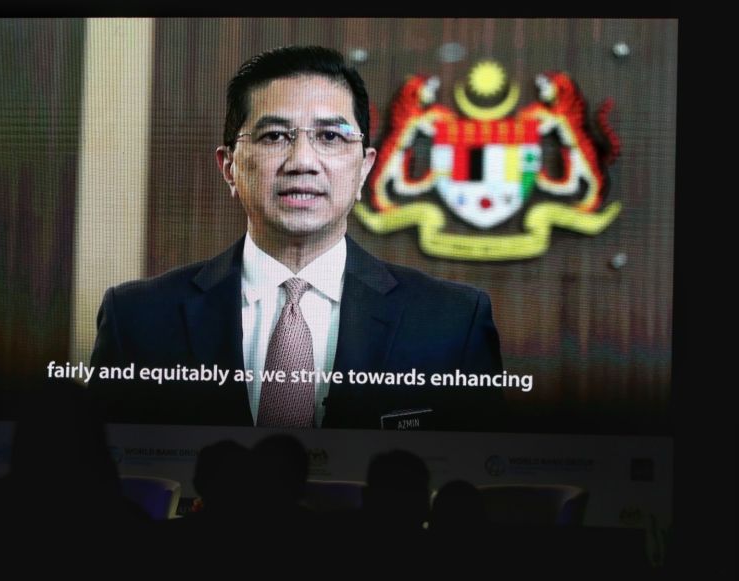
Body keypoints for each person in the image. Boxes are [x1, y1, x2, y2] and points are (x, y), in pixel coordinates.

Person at [90, 45, 503, 429]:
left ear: (364, 168)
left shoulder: (453, 322)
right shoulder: (137, 319)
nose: (303, 161)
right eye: (274, 137)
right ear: (229, 167)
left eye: (330, 137)